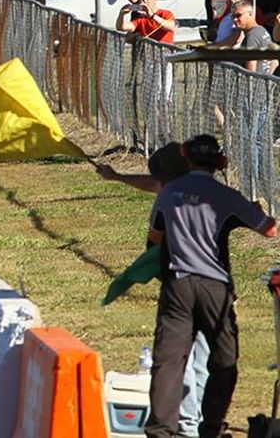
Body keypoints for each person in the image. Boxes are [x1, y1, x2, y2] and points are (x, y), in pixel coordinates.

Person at [143, 134, 277, 438]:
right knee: (223, 360)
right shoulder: (226, 196)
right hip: (214, 288)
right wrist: (255, 209)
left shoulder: (168, 193)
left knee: (168, 361)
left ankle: (161, 431)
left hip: (176, 285)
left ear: (184, 156)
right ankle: (212, 428)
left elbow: (153, 239)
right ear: (220, 162)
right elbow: (269, 230)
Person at [95, 143, 208, 438]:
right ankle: (202, 422)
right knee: (203, 360)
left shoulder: (166, 202)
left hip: (182, 290)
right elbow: (156, 184)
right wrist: (117, 176)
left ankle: (187, 428)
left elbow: (154, 246)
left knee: (179, 360)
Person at [231, 0, 277, 74]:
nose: (235, 19)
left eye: (238, 15)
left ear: (250, 14)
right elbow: (275, 62)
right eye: (233, 16)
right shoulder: (262, 30)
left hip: (254, 84)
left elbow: (250, 74)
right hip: (264, 83)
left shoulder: (252, 36)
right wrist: (267, 77)